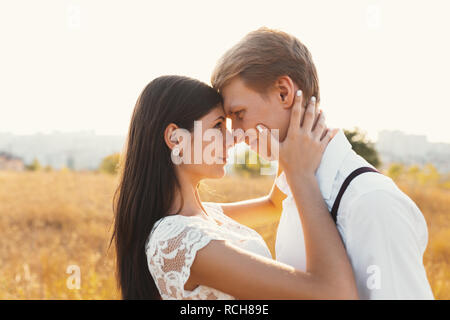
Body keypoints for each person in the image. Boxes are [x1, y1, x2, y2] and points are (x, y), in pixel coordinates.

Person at [210, 27, 434, 299]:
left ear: (284, 92)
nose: (236, 133)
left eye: (239, 113)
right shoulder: (297, 178)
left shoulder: (370, 202)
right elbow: (271, 205)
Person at [111, 75, 358, 299]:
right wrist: (301, 175)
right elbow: (334, 294)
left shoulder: (205, 215)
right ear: (176, 139)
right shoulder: (178, 238)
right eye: (218, 126)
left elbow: (273, 205)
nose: (232, 140)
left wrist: (287, 132)